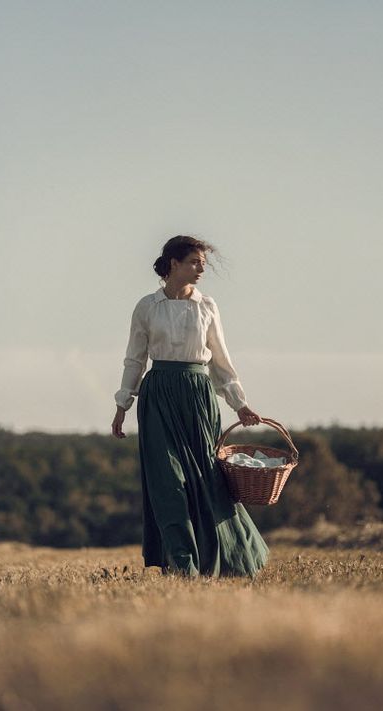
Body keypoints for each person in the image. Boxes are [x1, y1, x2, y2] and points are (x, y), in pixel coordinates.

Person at [111, 235, 270, 579]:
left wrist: (240, 404)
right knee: (167, 482)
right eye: (195, 262)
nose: (201, 269)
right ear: (173, 264)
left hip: (198, 396)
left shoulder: (207, 306)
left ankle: (233, 557)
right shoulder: (147, 306)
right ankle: (182, 564)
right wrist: (123, 404)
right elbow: (135, 358)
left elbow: (221, 362)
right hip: (158, 396)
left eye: (203, 264)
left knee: (206, 481)